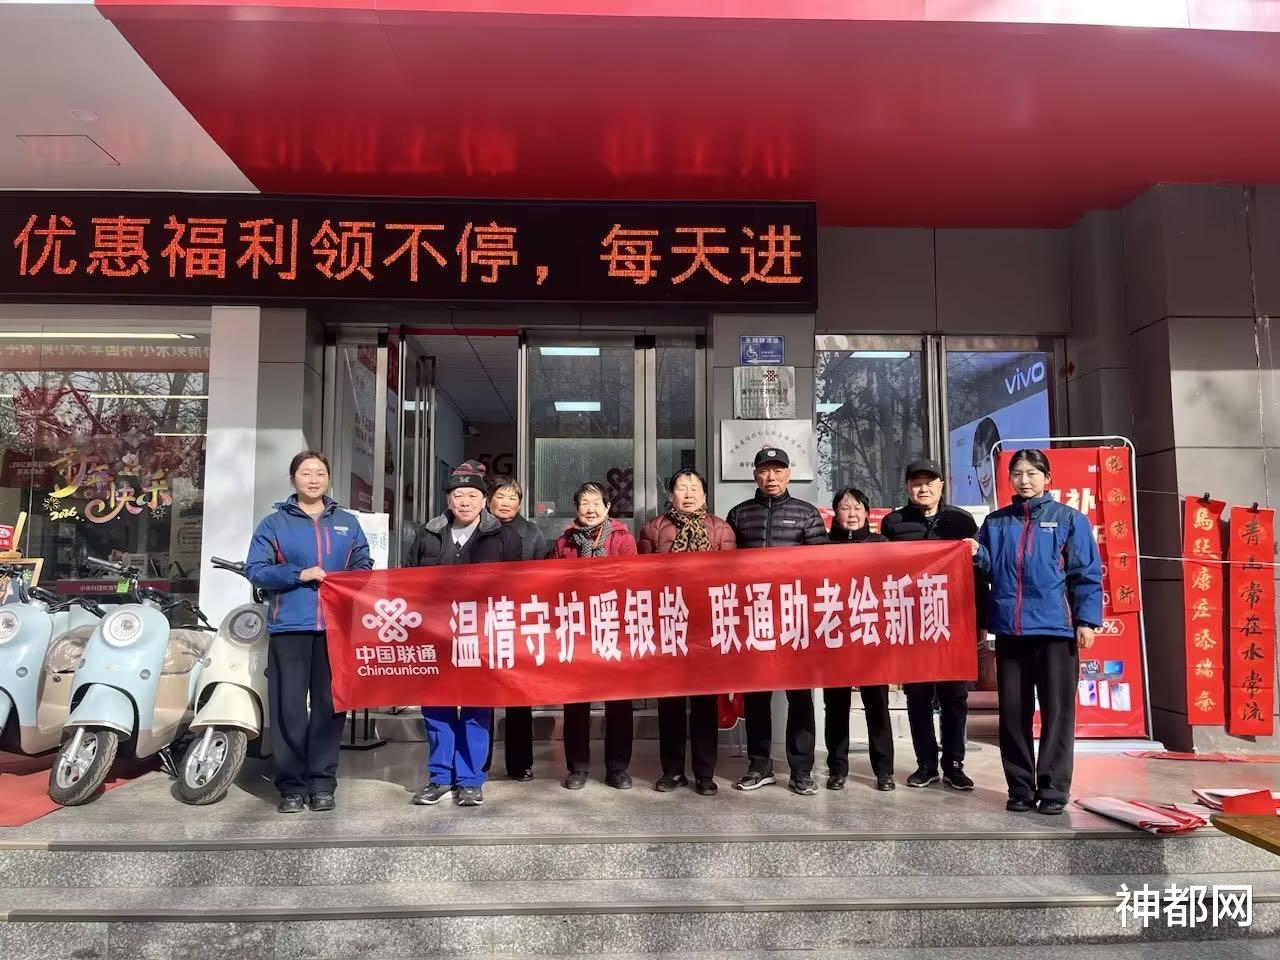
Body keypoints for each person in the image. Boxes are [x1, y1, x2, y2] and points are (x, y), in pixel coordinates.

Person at [968, 449, 1102, 815]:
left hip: (1056, 632)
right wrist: (976, 554)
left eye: (1032, 473)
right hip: (1011, 634)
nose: (1024, 480)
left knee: (1057, 713)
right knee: (1013, 714)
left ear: (1047, 478)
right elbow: (987, 571)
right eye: (1017, 474)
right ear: (1009, 479)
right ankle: (1020, 789)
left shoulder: (1069, 520)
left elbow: (1085, 573)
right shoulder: (996, 523)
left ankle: (1054, 790)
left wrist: (1086, 621)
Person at [245, 450, 372, 815]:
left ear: (328, 478)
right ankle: (291, 786)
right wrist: (297, 574)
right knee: (289, 708)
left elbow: (363, 565)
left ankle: (322, 783)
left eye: (320, 473)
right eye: (306, 473)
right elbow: (256, 570)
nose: (313, 479)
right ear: (293, 479)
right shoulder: (274, 524)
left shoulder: (347, 522)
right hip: (290, 626)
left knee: (330, 706)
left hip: (335, 627)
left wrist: (352, 579)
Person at [406, 460, 522, 808]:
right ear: (449, 500)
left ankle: (471, 779)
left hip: (480, 635)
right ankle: (440, 777)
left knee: (476, 708)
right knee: (436, 708)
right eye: (459, 495)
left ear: (484, 500)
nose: (465, 501)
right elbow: (407, 579)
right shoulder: (428, 534)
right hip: (436, 634)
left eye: (472, 495)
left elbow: (518, 585)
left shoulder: (504, 537)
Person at [725, 446, 828, 795]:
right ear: (755, 474)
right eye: (765, 470)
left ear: (788, 474)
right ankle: (759, 766)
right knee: (756, 696)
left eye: (778, 470)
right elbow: (724, 567)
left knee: (800, 697)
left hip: (796, 619)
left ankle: (801, 770)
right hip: (754, 618)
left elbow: (822, 566)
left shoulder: (806, 514)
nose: (771, 477)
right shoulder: (739, 515)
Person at [880, 458, 979, 791]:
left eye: (929, 482)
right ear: (908, 487)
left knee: (954, 697)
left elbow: (976, 573)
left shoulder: (961, 522)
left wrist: (979, 620)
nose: (923, 488)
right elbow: (882, 572)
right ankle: (926, 764)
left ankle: (954, 764)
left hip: (953, 620)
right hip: (912, 621)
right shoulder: (894, 524)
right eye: (916, 482)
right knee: (918, 695)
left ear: (941, 485)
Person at [638, 468, 736, 797]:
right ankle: (672, 771)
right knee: (670, 704)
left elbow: (731, 577)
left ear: (705, 495)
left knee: (705, 704)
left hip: (707, 626)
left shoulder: (720, 528)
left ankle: (705, 773)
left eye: (695, 488)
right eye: (682, 487)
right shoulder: (653, 528)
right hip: (668, 624)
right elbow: (642, 579)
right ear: (671, 494)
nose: (689, 493)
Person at [553, 481, 638, 790]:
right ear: (577, 509)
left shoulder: (623, 539)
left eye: (596, 503)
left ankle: (617, 768)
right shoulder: (564, 543)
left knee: (619, 701)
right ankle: (577, 768)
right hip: (577, 628)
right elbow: (552, 583)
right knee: (576, 701)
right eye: (584, 503)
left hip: (614, 627)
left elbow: (633, 580)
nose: (590, 509)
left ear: (607, 507)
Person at [823, 487, 895, 792]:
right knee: (835, 706)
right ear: (835, 513)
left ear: (867, 513)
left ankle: (884, 771)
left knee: (877, 704)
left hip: (870, 634)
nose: (851, 514)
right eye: (844, 508)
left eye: (856, 508)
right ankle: (837, 769)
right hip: (835, 636)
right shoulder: (822, 546)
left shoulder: (882, 545)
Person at [485, 474, 549, 781]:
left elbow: (543, 575)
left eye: (513, 497)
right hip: (482, 620)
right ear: (489, 500)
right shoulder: (477, 528)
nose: (506, 503)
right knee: (481, 695)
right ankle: (479, 762)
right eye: (500, 496)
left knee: (518, 695)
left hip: (519, 621)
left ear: (520, 503)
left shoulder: (532, 532)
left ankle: (520, 763)